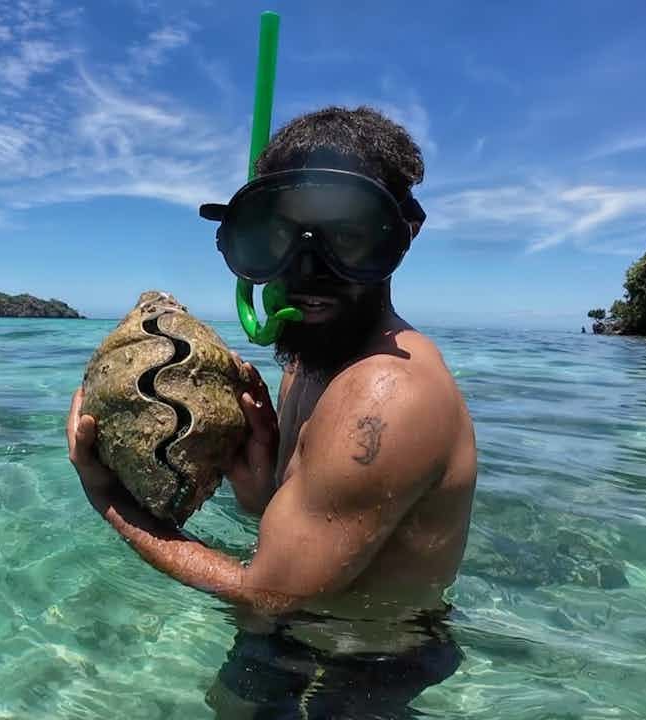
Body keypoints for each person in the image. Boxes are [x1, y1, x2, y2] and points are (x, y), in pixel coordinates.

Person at [66, 106, 478, 719]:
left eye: (349, 236)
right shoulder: (307, 363)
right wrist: (258, 486)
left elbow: (268, 595)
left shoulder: (387, 395)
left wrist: (107, 498)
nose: (308, 271)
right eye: (278, 235)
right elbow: (295, 531)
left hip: (366, 664)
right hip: (289, 635)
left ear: (401, 235)